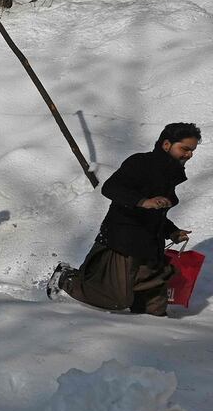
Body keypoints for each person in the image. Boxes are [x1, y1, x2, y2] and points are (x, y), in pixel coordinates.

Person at [49, 123, 200, 316]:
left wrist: (171, 231)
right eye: (185, 149)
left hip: (150, 247)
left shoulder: (171, 175)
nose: (189, 155)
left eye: (192, 150)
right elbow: (111, 188)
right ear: (166, 145)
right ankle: (66, 278)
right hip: (123, 242)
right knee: (117, 299)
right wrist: (142, 201)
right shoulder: (140, 163)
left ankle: (147, 340)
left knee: (154, 311)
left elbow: (156, 214)